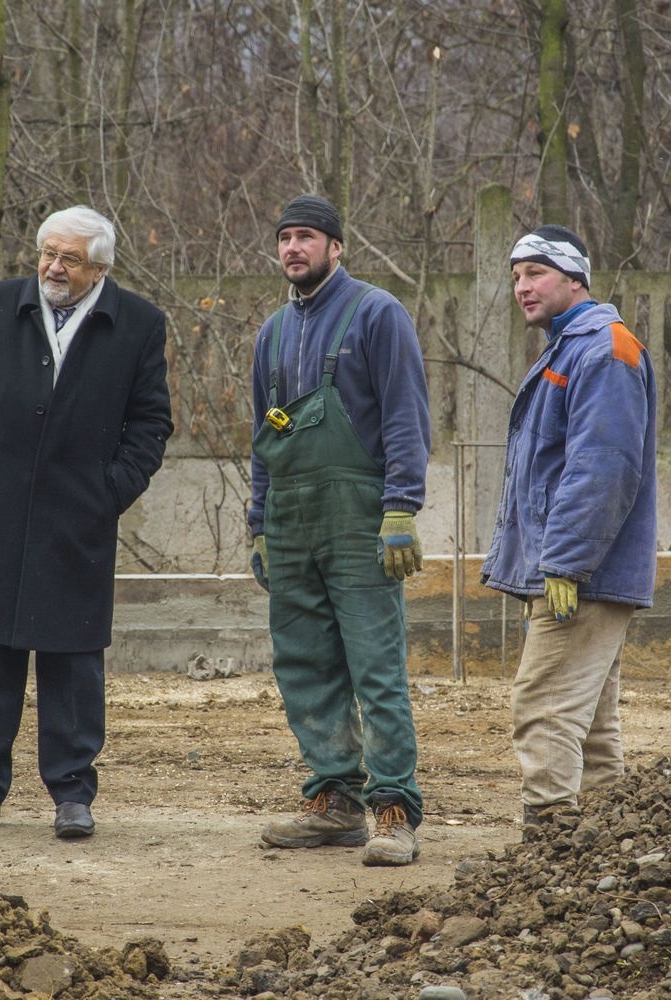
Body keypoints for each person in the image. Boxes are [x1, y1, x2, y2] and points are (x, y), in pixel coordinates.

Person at [0, 205, 172, 840]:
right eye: (48, 253)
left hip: (79, 517)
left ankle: (72, 795)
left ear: (99, 268)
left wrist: (109, 492)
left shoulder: (138, 323)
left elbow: (151, 422)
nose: (53, 267)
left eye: (70, 259)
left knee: (72, 659)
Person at [248, 194, 432, 867]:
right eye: (284, 237)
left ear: (336, 246)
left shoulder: (377, 314)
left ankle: (393, 808)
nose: (293, 247)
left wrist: (401, 507)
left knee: (375, 666)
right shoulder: (271, 334)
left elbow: (406, 414)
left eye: (306, 236)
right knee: (305, 664)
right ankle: (335, 800)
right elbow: (263, 435)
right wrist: (259, 522)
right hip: (290, 520)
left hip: (359, 519)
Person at [480, 224, 658, 829]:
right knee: (593, 725)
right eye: (515, 276)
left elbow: (603, 467)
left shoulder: (604, 350)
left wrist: (564, 562)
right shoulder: (571, 348)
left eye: (536, 273)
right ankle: (605, 844)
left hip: (579, 574)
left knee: (545, 703)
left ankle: (551, 836)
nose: (522, 287)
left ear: (575, 278)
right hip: (578, 569)